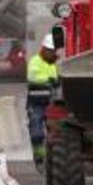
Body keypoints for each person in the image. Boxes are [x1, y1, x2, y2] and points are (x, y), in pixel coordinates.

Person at [26, 32, 60, 169]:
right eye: (51, 51)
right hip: (36, 103)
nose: (53, 53)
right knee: (37, 133)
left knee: (55, 133)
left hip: (50, 103)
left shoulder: (53, 64)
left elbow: (56, 80)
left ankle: (52, 159)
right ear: (44, 49)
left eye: (54, 51)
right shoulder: (35, 61)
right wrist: (49, 81)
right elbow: (33, 77)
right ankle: (39, 157)